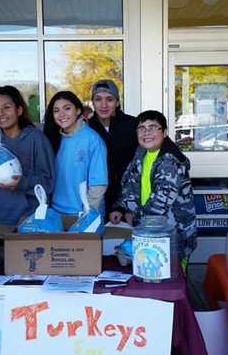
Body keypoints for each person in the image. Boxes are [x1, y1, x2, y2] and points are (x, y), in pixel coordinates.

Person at [110, 110, 197, 258]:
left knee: (171, 278)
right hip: (148, 230)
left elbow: (159, 205)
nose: (146, 132)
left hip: (173, 236)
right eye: (141, 128)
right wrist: (120, 207)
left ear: (164, 133)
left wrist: (135, 218)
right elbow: (129, 184)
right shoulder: (141, 153)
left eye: (152, 127)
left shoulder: (170, 162)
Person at [0, 85, 55, 225]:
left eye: (6, 107)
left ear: (19, 110)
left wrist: (22, 183)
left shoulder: (35, 139)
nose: (0, 113)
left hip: (24, 221)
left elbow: (48, 183)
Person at [44, 91, 107, 215]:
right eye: (56, 110)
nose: (61, 114)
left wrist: (87, 214)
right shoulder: (53, 138)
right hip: (55, 213)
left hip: (83, 214)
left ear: (78, 110)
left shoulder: (92, 139)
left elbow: (98, 184)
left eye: (67, 108)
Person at [88, 79, 139, 216]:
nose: (103, 105)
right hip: (98, 200)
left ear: (117, 102)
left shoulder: (133, 125)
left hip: (130, 200)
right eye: (98, 99)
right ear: (92, 102)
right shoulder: (87, 128)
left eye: (109, 99)